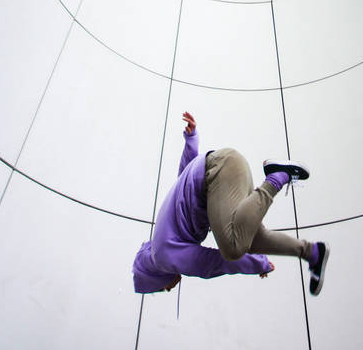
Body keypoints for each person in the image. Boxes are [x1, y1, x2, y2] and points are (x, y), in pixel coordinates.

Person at [133, 112, 329, 296]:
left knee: (232, 248)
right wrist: (191, 140)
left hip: (219, 173)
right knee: (254, 240)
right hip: (226, 170)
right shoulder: (164, 240)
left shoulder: (163, 257)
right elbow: (185, 175)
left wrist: (257, 264)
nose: (168, 289)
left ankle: (277, 177)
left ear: (154, 277)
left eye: (161, 289)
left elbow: (211, 263)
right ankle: (312, 253)